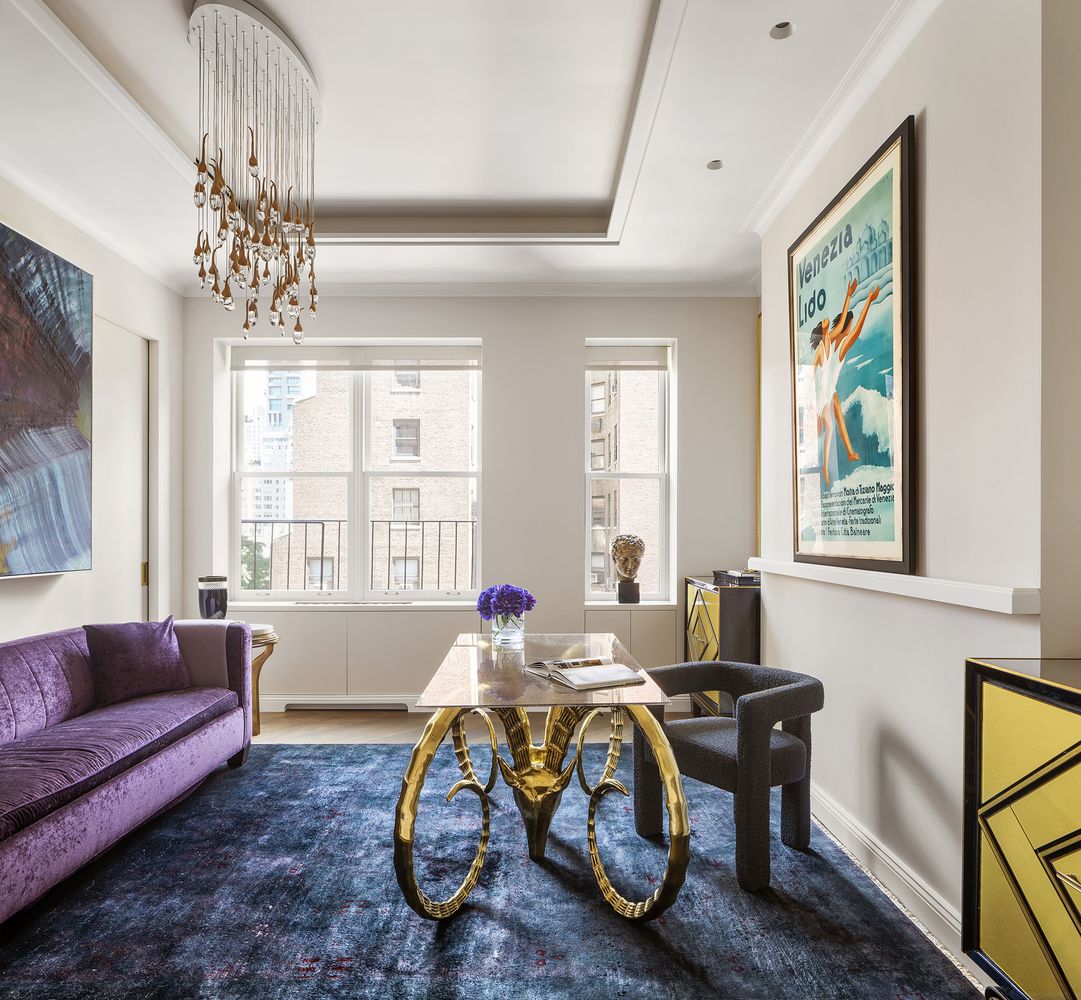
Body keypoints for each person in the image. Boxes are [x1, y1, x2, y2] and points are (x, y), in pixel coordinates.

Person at [811, 278, 880, 486]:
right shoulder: (835, 346)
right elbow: (853, 328)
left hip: (828, 389)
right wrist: (866, 301)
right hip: (824, 392)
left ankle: (845, 453)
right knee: (828, 426)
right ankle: (831, 461)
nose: (848, 329)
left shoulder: (831, 344)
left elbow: (844, 325)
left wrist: (851, 295)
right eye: (847, 327)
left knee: (835, 421)